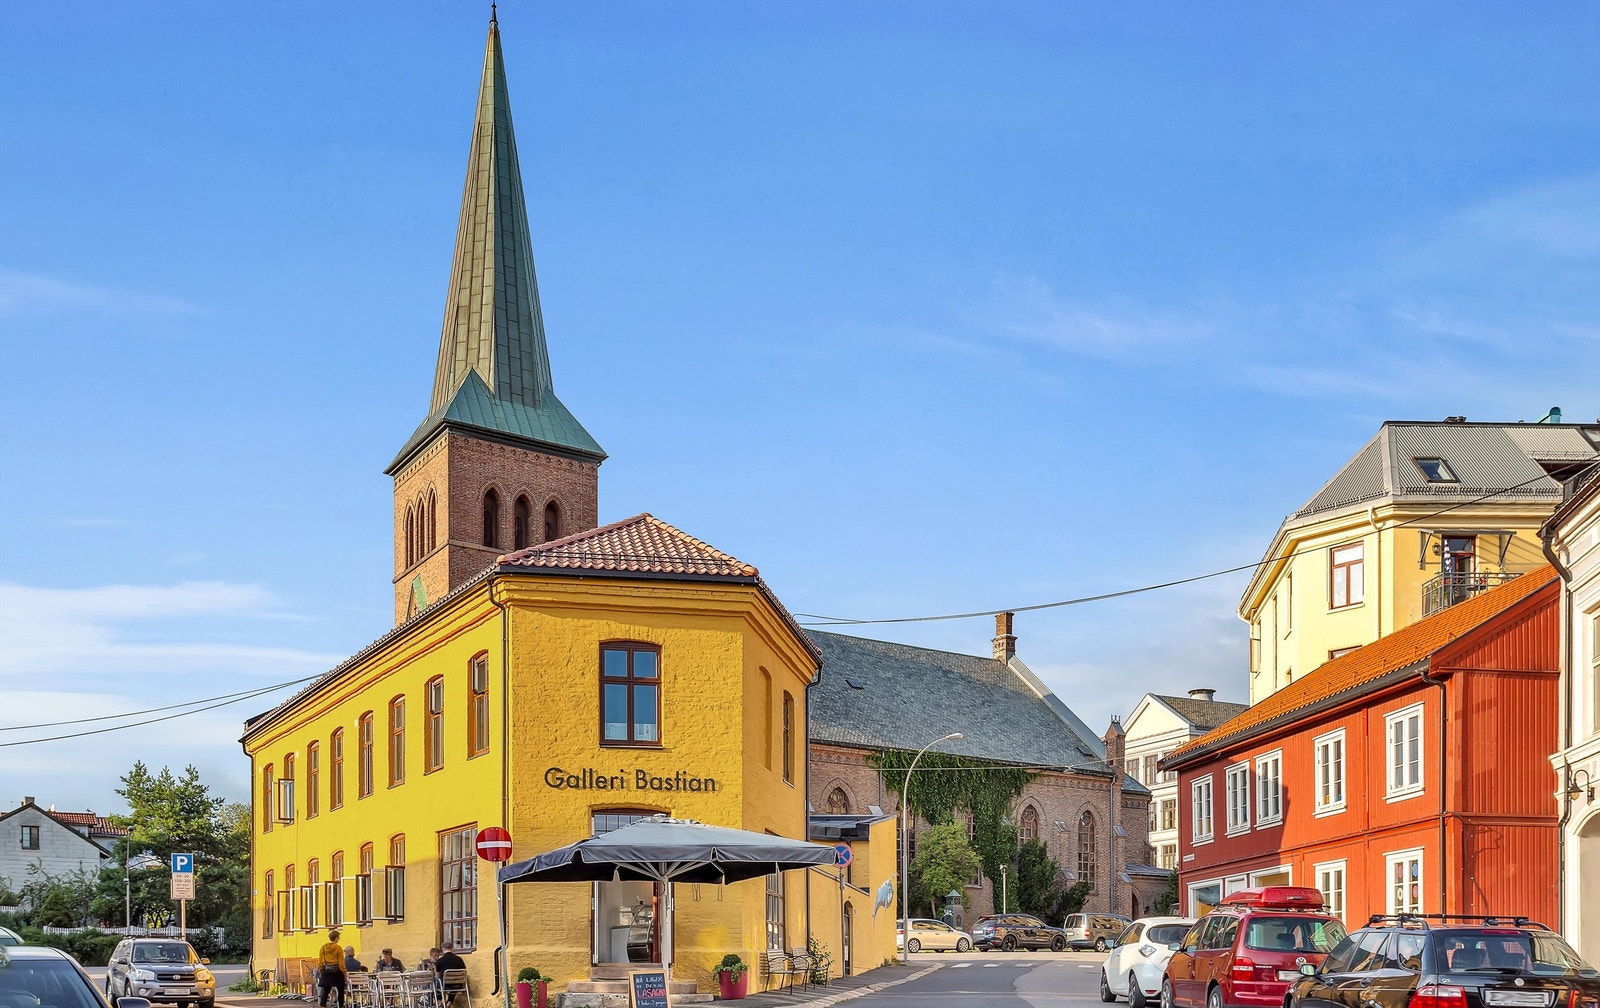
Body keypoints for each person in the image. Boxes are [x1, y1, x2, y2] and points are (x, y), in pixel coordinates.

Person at [317, 930, 347, 1008]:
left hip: (326, 970)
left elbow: (320, 961)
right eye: (338, 937)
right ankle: (340, 1005)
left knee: (326, 989)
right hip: (337, 970)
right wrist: (344, 972)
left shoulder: (323, 948)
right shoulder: (338, 948)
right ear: (336, 938)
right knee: (340, 989)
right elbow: (341, 962)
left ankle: (323, 1004)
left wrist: (321, 970)